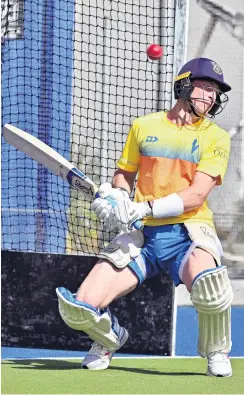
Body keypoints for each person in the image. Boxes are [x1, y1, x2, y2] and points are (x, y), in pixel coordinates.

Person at [56, 57, 233, 376]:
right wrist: (117, 198)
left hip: (188, 233)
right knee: (78, 308)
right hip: (143, 235)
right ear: (184, 85)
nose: (210, 97)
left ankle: (216, 352)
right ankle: (107, 338)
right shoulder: (144, 126)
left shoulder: (216, 137)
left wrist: (144, 207)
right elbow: (124, 174)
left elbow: (196, 194)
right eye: (205, 88)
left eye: (215, 92)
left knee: (211, 287)